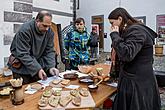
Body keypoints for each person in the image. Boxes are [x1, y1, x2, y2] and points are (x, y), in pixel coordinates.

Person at [108, 7, 161, 110]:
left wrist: (114, 35)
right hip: (134, 78)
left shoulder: (136, 31)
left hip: (137, 83)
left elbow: (127, 54)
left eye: (112, 23)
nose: (111, 26)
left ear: (120, 19)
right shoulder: (131, 30)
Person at [8, 10, 59, 84]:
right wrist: (37, 69)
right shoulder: (25, 30)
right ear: (37, 21)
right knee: (23, 94)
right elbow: (23, 53)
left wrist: (51, 67)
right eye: (44, 25)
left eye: (49, 26)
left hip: (37, 65)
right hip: (22, 68)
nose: (47, 29)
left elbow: (49, 51)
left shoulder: (49, 32)